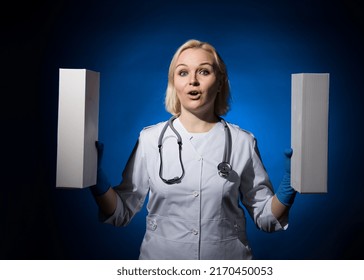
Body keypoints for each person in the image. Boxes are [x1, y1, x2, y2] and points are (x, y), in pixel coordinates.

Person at [90, 39, 297, 260]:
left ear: (219, 82)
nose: (193, 81)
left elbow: (265, 218)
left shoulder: (242, 142)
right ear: (173, 83)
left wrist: (291, 185)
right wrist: (95, 180)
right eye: (183, 73)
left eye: (204, 72)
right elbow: (121, 213)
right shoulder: (149, 139)